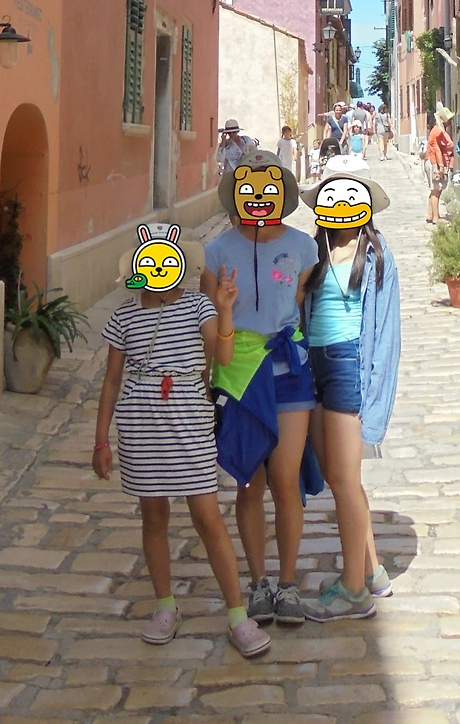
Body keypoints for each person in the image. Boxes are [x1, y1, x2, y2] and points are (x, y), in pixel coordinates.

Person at [92, 227, 270, 658]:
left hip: (189, 420)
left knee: (208, 518)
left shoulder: (197, 307)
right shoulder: (124, 317)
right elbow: (112, 380)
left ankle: (237, 617)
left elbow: (222, 357)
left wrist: (225, 310)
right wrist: (101, 440)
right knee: (153, 516)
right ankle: (165, 606)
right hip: (140, 424)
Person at [202, 157, 319, 628]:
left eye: (266, 191)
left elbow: (296, 300)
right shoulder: (216, 252)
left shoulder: (303, 247)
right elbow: (210, 322)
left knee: (285, 480)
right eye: (247, 192)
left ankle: (287, 584)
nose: (257, 199)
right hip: (238, 375)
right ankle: (257, 584)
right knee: (248, 482)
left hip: (288, 371)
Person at [299, 165, 401, 620]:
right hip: (316, 368)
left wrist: (375, 409)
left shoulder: (376, 257)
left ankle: (354, 591)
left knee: (342, 482)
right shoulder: (318, 255)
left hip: (348, 370)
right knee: (342, 480)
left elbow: (385, 337)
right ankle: (372, 571)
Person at [424, 105, 456, 225]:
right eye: (449, 118)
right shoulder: (438, 131)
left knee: (434, 189)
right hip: (435, 162)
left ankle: (431, 214)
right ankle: (436, 218)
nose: (451, 120)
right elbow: (436, 149)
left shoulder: (439, 130)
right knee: (436, 189)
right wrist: (441, 166)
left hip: (433, 161)